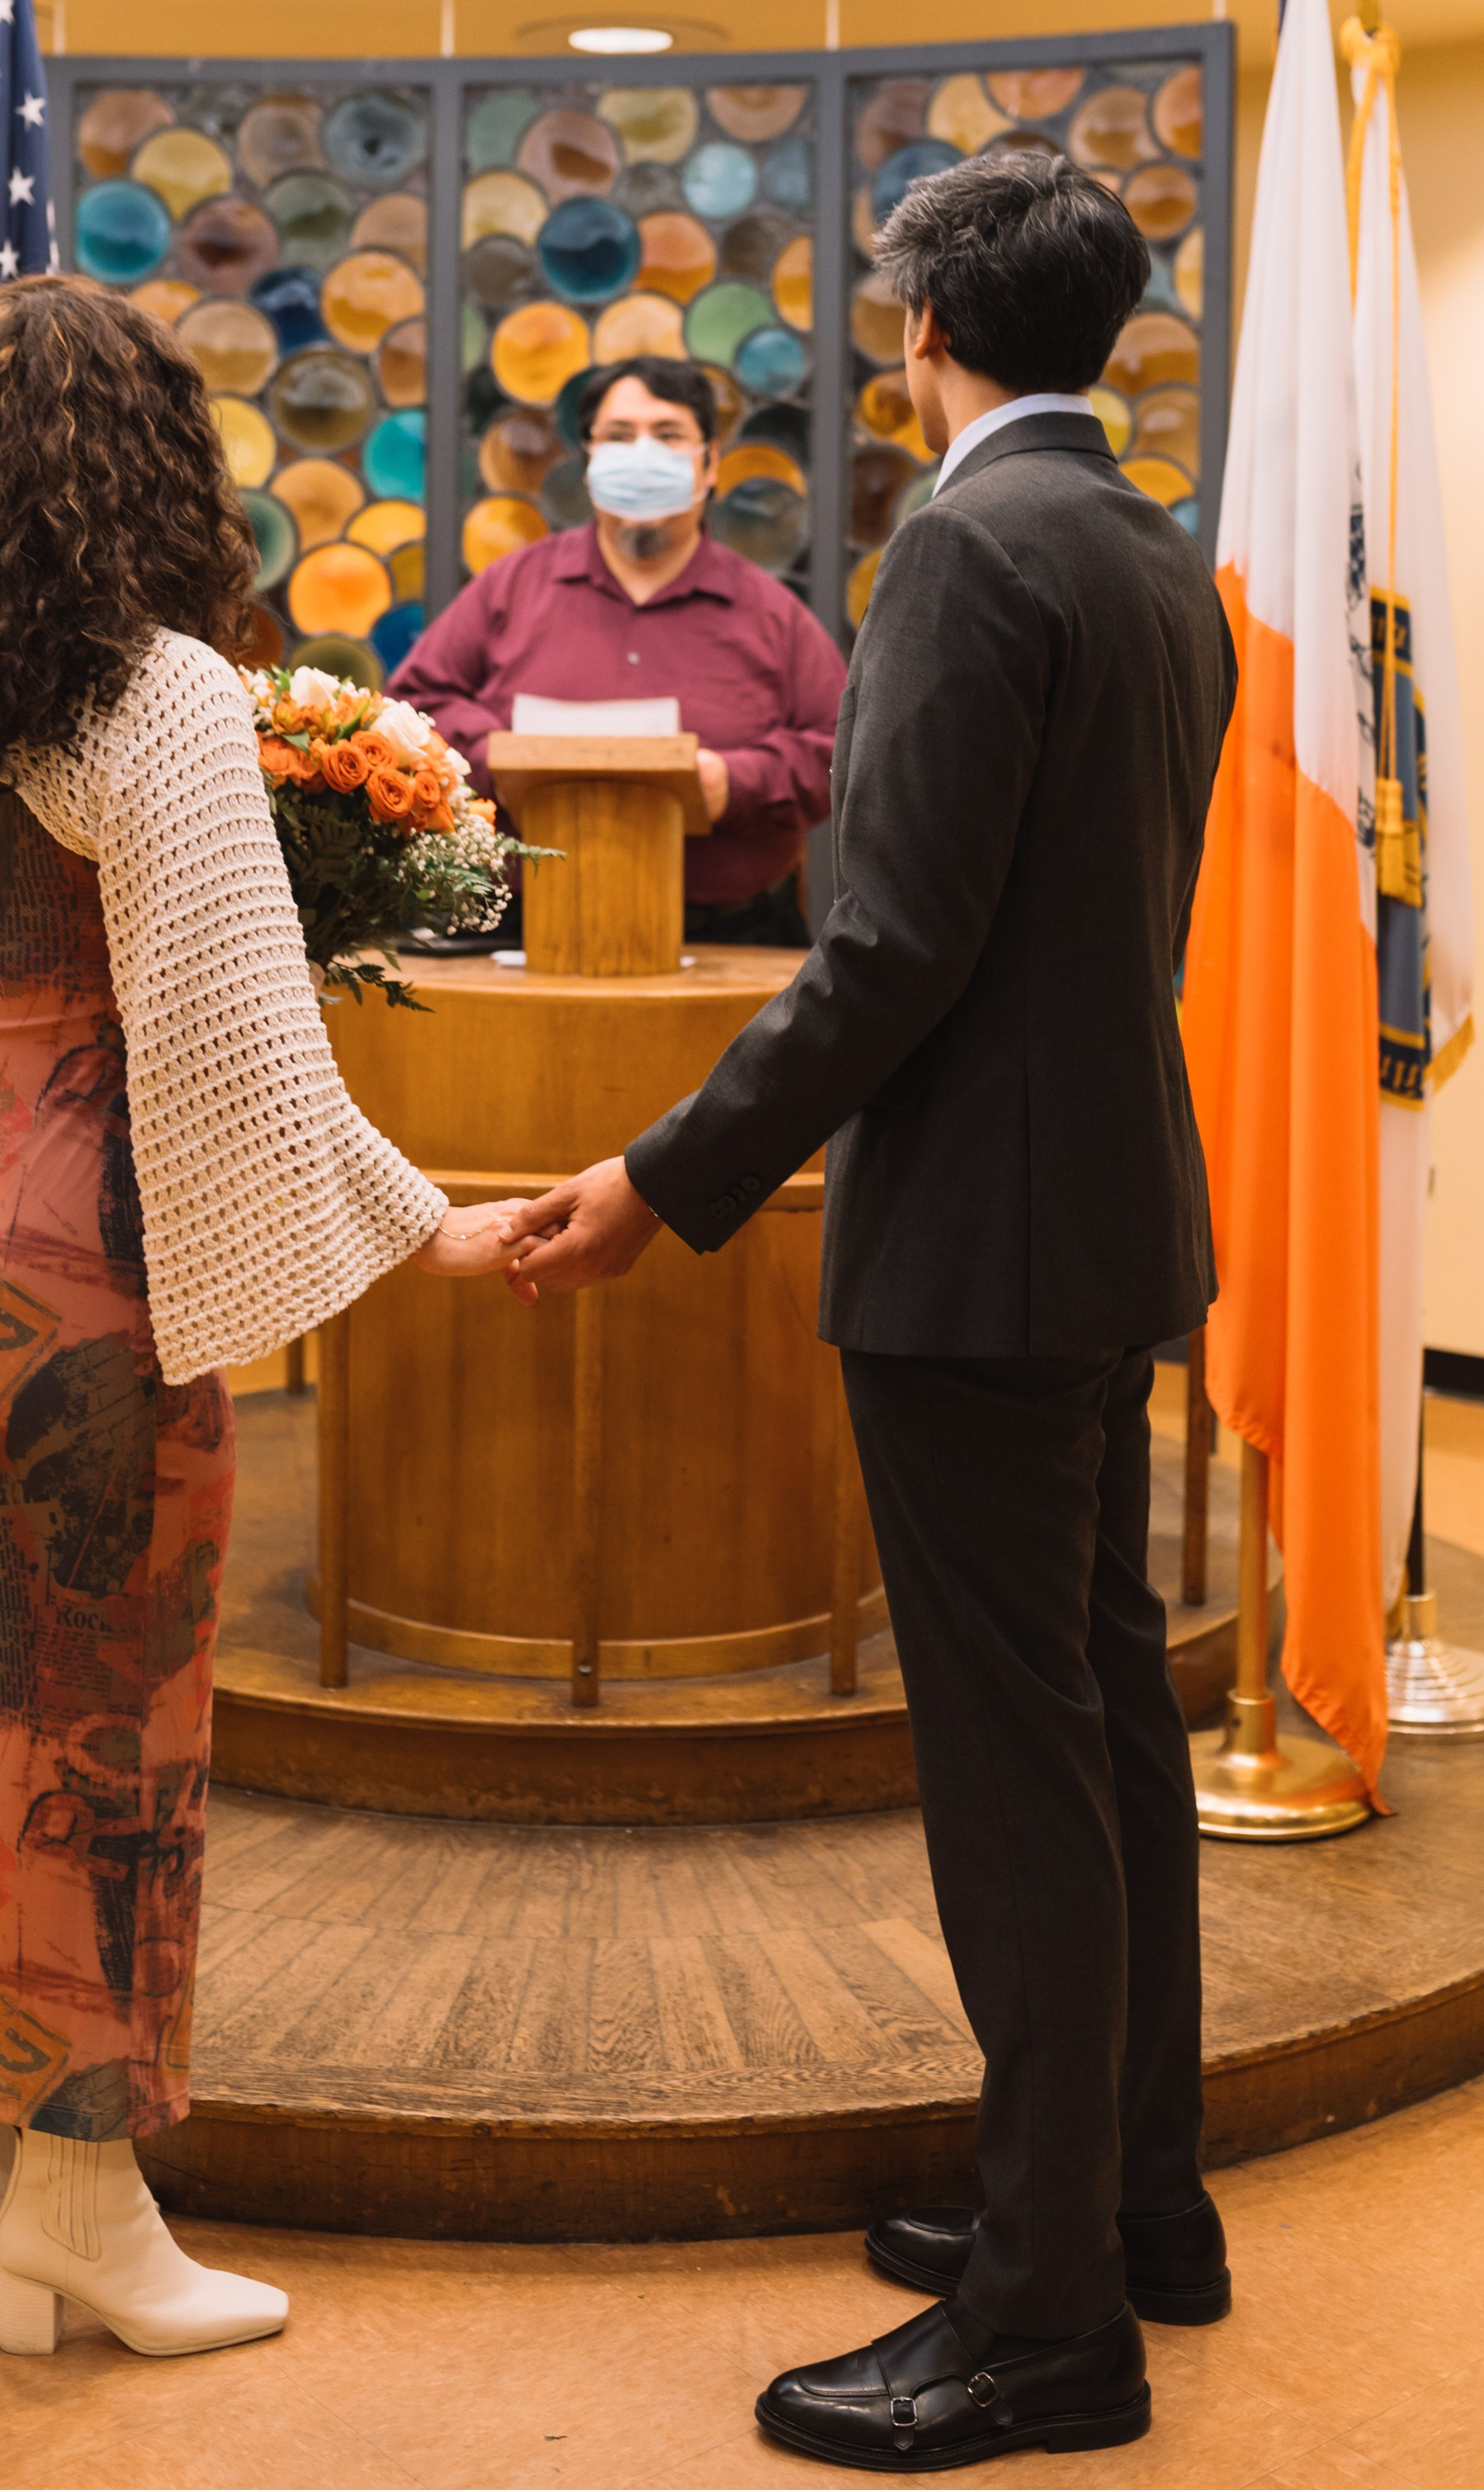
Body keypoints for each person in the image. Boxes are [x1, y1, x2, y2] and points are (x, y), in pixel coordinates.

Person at [500, 151, 1239, 2467]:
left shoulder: (959, 548)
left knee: (1020, 1778)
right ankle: (1128, 2198)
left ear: (925, 332)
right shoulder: (1150, 551)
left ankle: (1045, 2333)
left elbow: (892, 948)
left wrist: (659, 1176)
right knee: (1106, 1718)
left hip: (980, 1258)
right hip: (1113, 1223)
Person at [0, 276, 523, 2362]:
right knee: (96, 1746)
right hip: (85, 1297)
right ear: (151, 463)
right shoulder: (158, 700)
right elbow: (231, 1042)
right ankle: (86, 2202)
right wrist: (425, 1229)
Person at [389, 356, 846, 946]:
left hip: (731, 942)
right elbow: (411, 707)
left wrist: (734, 782)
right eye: (620, 436)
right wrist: (500, 754)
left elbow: (842, 751)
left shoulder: (772, 614)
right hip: (525, 935)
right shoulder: (512, 586)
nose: (642, 453)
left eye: (668, 435)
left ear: (708, 466)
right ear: (589, 464)